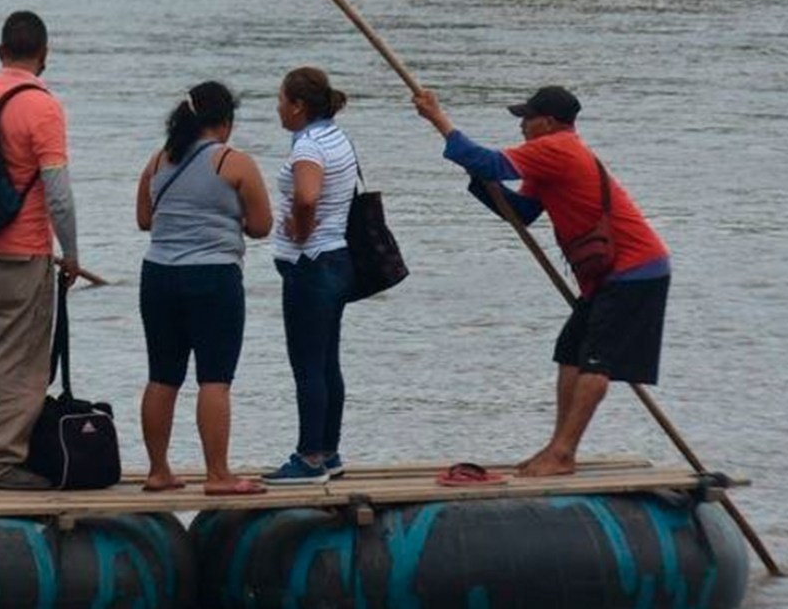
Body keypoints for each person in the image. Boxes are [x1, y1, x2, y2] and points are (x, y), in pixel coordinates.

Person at [413, 85, 671, 477]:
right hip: (606, 277)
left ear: (547, 122)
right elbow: (521, 213)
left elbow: (491, 162)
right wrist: (478, 174)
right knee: (570, 353)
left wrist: (437, 119)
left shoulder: (557, 148)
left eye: (527, 119)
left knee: (596, 364)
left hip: (634, 270)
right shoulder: (549, 158)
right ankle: (558, 448)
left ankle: (563, 452)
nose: (522, 126)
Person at [0, 10, 82, 490]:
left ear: (0, 51)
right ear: (44, 55)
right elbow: (57, 193)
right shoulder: (44, 108)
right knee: (20, 359)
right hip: (23, 251)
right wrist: (71, 252)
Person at [135, 81, 273, 496]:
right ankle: (218, 475)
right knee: (215, 378)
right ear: (224, 122)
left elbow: (145, 220)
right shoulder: (234, 162)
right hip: (213, 277)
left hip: (158, 276)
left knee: (162, 376)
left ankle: (158, 471)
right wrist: (229, 221)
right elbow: (262, 226)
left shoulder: (158, 160)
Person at [263, 67, 358, 486]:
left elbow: (306, 195)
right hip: (337, 257)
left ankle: (309, 457)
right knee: (327, 361)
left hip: (310, 262)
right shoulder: (336, 136)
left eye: (281, 100)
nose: (278, 108)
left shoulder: (309, 146)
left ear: (298, 105)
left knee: (307, 365)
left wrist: (300, 231)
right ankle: (329, 450)